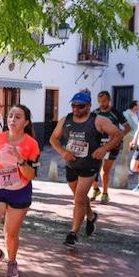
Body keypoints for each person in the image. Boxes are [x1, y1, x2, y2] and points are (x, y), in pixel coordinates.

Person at [49, 91, 123, 247]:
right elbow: (53, 138)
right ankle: (90, 216)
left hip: (89, 164)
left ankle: (73, 233)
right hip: (71, 164)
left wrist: (104, 149)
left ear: (89, 105)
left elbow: (117, 135)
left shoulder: (99, 120)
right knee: (80, 198)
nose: (76, 109)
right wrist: (63, 152)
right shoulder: (66, 120)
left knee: (78, 199)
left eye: (80, 106)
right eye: (73, 105)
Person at [0, 104, 41, 277]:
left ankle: (12, 261)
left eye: (17, 117)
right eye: (10, 116)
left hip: (20, 190)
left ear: (26, 122)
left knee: (10, 233)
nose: (12, 119)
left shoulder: (31, 144)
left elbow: (32, 175)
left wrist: (20, 159)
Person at [89, 91, 131, 203]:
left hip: (112, 145)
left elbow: (128, 127)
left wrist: (118, 138)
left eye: (104, 101)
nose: (102, 103)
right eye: (99, 101)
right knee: (91, 168)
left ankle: (105, 193)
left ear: (109, 100)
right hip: (97, 145)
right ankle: (95, 189)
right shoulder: (95, 113)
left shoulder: (116, 113)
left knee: (105, 170)